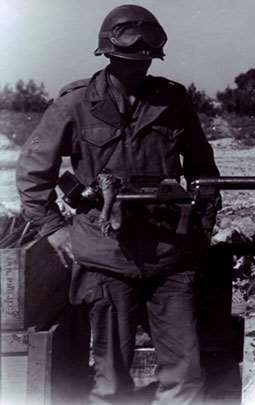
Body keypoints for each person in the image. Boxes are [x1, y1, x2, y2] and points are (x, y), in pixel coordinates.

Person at [16, 4, 220, 403]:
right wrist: (55, 231)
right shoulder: (74, 103)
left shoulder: (173, 100)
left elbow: (204, 171)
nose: (136, 71)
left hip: (170, 256)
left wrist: (202, 226)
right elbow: (32, 174)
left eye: (143, 63)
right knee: (110, 381)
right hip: (106, 257)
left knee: (185, 378)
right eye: (127, 61)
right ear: (107, 56)